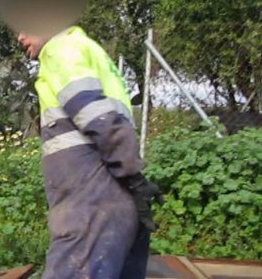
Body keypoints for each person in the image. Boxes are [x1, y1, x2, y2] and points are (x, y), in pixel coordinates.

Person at [18, 27, 163, 279]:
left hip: (90, 207)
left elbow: (98, 117)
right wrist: (134, 182)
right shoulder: (90, 52)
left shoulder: (59, 49)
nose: (20, 36)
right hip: (117, 203)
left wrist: (132, 174)